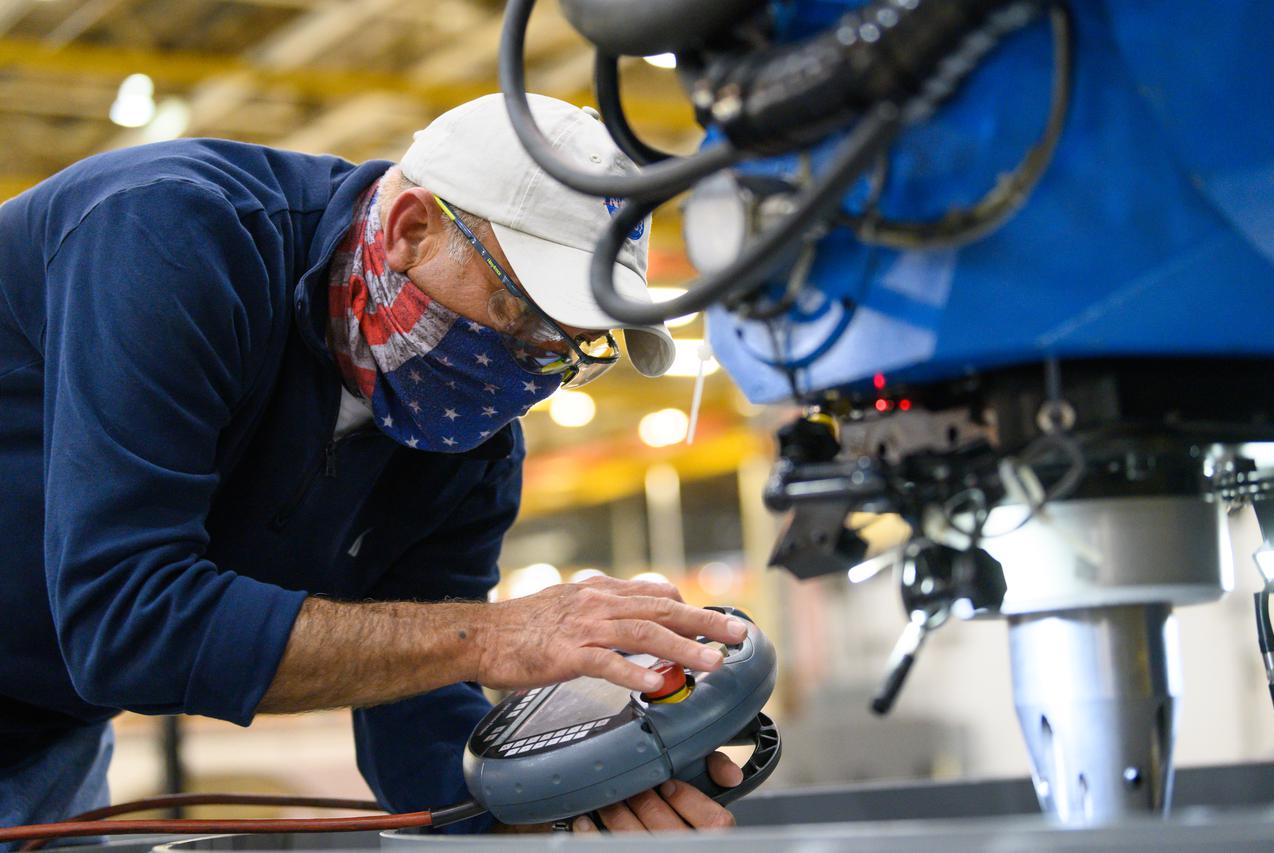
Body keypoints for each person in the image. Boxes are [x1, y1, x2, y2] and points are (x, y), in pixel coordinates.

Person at [0, 93, 747, 837]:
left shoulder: (464, 441)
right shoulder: (170, 238)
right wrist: (495, 635)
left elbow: (416, 706)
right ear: (410, 227)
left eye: (571, 350)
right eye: (525, 317)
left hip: (48, 735)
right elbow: (126, 621)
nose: (532, 372)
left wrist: (559, 800)